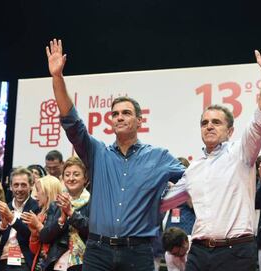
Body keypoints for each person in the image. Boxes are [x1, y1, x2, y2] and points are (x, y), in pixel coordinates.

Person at [46, 39, 185, 270]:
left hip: (138, 251)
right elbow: (71, 121)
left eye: (126, 113)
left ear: (139, 120)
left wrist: (164, 201)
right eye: (115, 114)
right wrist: (57, 78)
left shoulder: (159, 157)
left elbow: (193, 182)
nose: (119, 117)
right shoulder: (97, 152)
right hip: (97, 251)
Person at [161, 37, 261, 271]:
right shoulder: (193, 168)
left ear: (230, 130)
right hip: (198, 252)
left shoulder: (242, 152)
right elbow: (163, 202)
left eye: (216, 122)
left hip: (236, 253)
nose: (209, 126)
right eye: (204, 122)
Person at [31, 156, 91, 271]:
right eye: (67, 175)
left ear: (85, 178)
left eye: (76, 174)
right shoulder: (56, 204)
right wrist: (61, 220)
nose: (71, 178)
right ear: (63, 178)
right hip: (57, 261)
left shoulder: (94, 202)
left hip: (85, 262)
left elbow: (94, 231)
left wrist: (71, 213)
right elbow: (44, 237)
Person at [0, 167, 40, 271]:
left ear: (31, 186)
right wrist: (2, 226)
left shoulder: (36, 207)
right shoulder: (5, 207)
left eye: (23, 185)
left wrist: (11, 219)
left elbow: (31, 235)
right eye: (16, 185)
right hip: (3, 259)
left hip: (24, 261)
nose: (19, 189)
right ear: (11, 187)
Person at [20, 175, 62, 270]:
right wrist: (34, 234)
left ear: (48, 192)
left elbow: (50, 239)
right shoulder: (40, 215)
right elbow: (35, 250)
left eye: (38, 190)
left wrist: (38, 225)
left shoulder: (61, 212)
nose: (35, 195)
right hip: (39, 265)